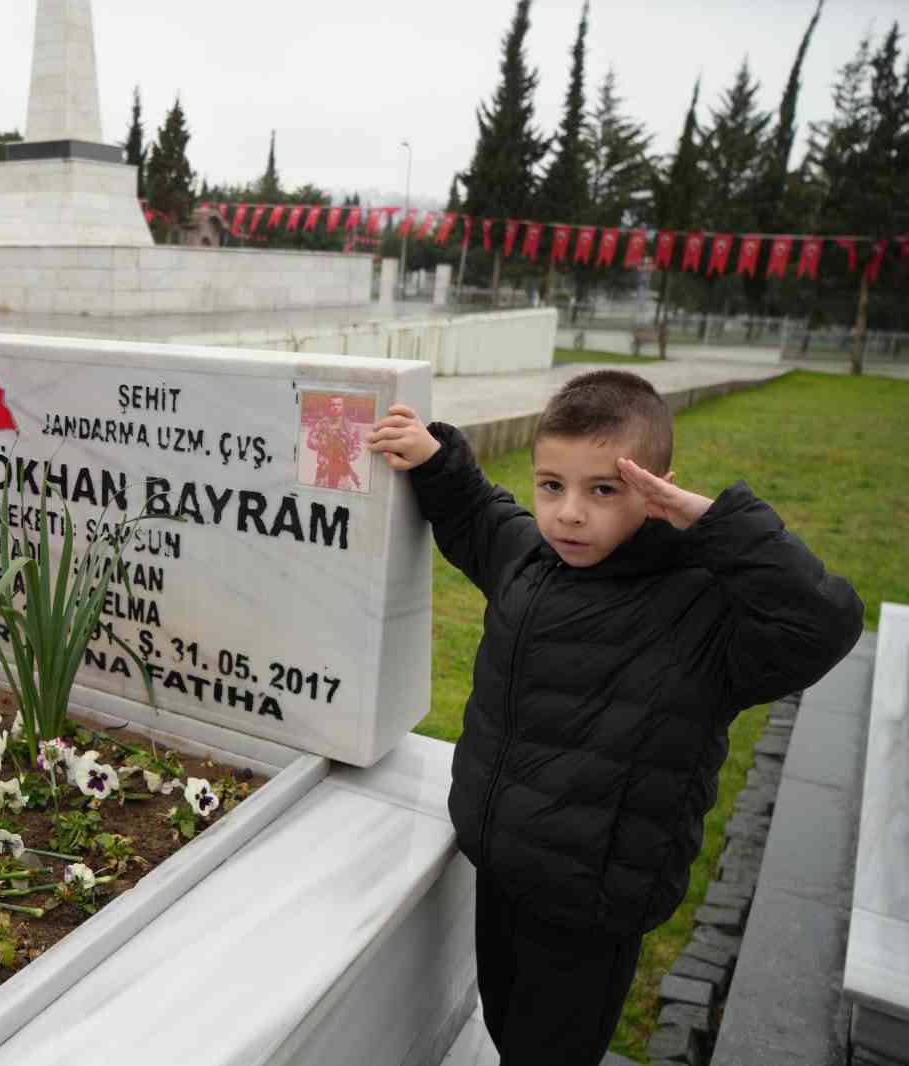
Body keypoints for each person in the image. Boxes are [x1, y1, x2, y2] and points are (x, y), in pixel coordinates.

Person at [366, 370, 863, 1066]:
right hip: (502, 869)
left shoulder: (705, 612)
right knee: (508, 1030)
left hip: (589, 908)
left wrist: (715, 524)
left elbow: (823, 623)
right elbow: (476, 515)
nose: (569, 513)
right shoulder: (531, 563)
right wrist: (433, 455)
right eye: (552, 485)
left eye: (604, 489)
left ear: (658, 489)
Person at [307, 395, 363, 490]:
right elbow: (309, 441)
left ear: (343, 406)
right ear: (329, 407)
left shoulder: (350, 426)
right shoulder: (322, 423)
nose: (335, 407)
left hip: (342, 473)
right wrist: (322, 444)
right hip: (324, 472)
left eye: (338, 404)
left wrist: (349, 456)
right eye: (332, 404)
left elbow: (357, 448)